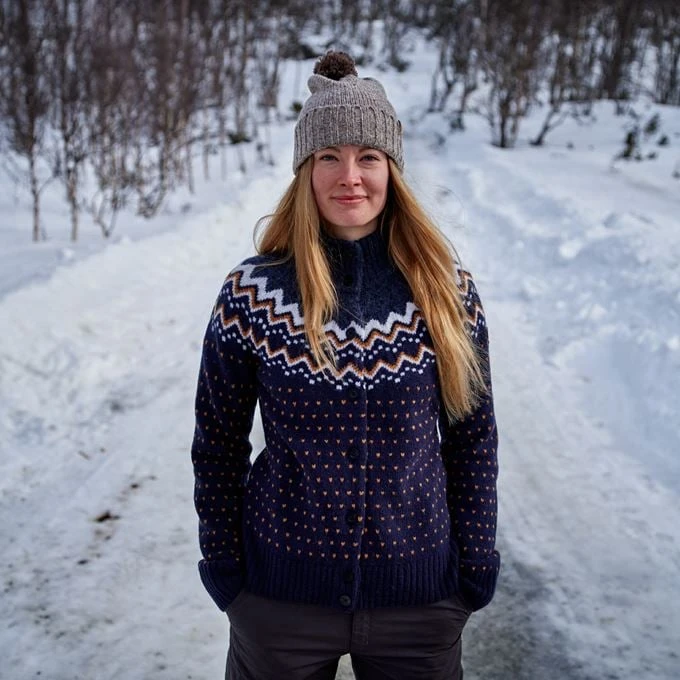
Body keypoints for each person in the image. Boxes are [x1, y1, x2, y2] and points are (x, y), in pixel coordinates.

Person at [191, 51, 500, 680]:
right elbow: (217, 440)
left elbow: (472, 436)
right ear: (305, 170)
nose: (349, 176)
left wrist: (472, 566)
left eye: (369, 157)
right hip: (279, 602)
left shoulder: (446, 290)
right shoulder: (254, 293)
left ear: (393, 169)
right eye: (328, 156)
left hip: (419, 601)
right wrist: (227, 571)